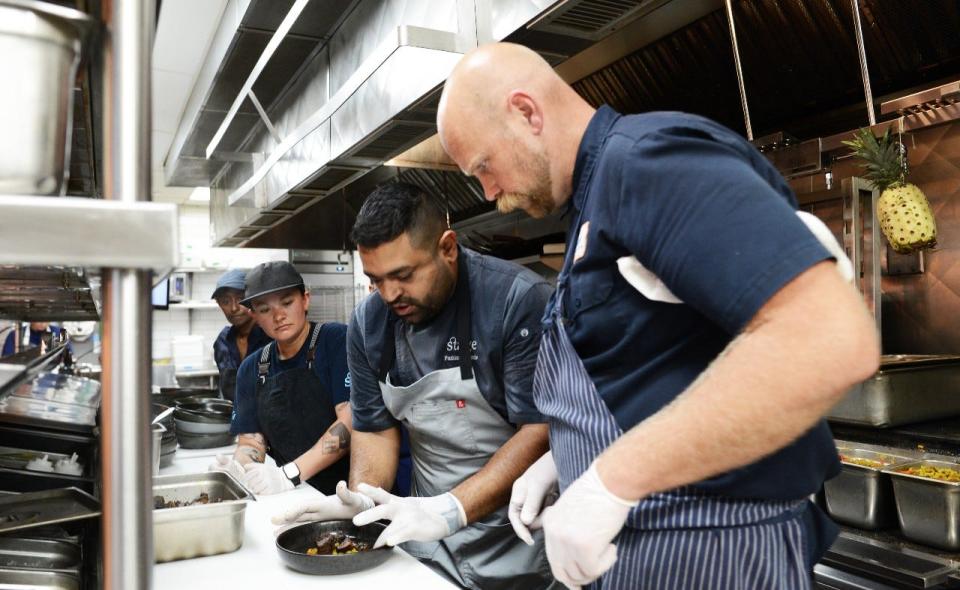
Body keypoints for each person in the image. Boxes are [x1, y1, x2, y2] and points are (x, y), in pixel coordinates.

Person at [436, 43, 881, 589]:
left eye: (483, 166)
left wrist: (610, 479)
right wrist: (565, 461)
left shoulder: (643, 163)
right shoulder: (592, 201)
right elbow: (657, 364)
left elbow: (830, 337)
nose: (489, 191)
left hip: (715, 554)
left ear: (527, 113)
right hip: (650, 554)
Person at [272, 182, 557, 589]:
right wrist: (363, 499)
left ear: (447, 247)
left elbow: (540, 430)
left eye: (403, 275)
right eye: (375, 278)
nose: (389, 294)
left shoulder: (515, 300)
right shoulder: (369, 323)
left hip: (518, 543)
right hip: (424, 547)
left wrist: (452, 509)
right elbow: (374, 430)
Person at [209, 261, 352, 496]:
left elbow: (349, 422)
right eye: (265, 309)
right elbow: (251, 443)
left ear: (305, 299)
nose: (278, 316)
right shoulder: (251, 368)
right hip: (293, 495)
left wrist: (291, 473)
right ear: (254, 314)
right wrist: (238, 468)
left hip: (346, 492)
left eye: (287, 303)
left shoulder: (336, 341)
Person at [211, 269, 271, 402]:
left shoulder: (272, 336)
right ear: (219, 305)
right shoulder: (222, 341)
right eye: (225, 301)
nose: (233, 308)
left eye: (240, 299)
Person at [1, 322, 69, 357]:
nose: (43, 322)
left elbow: (69, 354)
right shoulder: (15, 334)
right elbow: (7, 359)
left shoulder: (61, 332)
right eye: (39, 318)